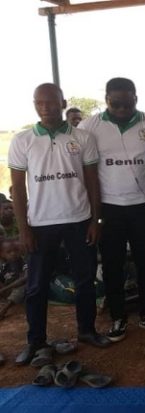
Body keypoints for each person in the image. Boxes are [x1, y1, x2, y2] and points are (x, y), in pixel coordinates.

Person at [8, 83, 110, 365]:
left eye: (51, 102)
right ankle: (36, 341)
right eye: (39, 103)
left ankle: (87, 331)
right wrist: (24, 229)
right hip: (41, 224)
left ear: (63, 103)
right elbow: (19, 190)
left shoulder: (83, 137)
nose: (46, 108)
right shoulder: (23, 140)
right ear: (34, 105)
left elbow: (93, 181)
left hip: (79, 219)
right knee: (36, 285)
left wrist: (96, 219)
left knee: (85, 280)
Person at [79, 77, 145, 342]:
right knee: (112, 264)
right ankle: (118, 317)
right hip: (109, 209)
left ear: (136, 99)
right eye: (115, 104)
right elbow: (85, 170)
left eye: (127, 104)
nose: (121, 109)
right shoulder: (89, 127)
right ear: (106, 99)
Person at [0, 239, 25, 320]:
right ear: (2, 254)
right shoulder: (3, 266)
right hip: (7, 291)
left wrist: (4, 289)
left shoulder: (22, 262)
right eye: (9, 252)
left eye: (16, 250)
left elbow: (24, 279)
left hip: (19, 291)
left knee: (24, 286)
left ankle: (4, 309)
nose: (13, 253)